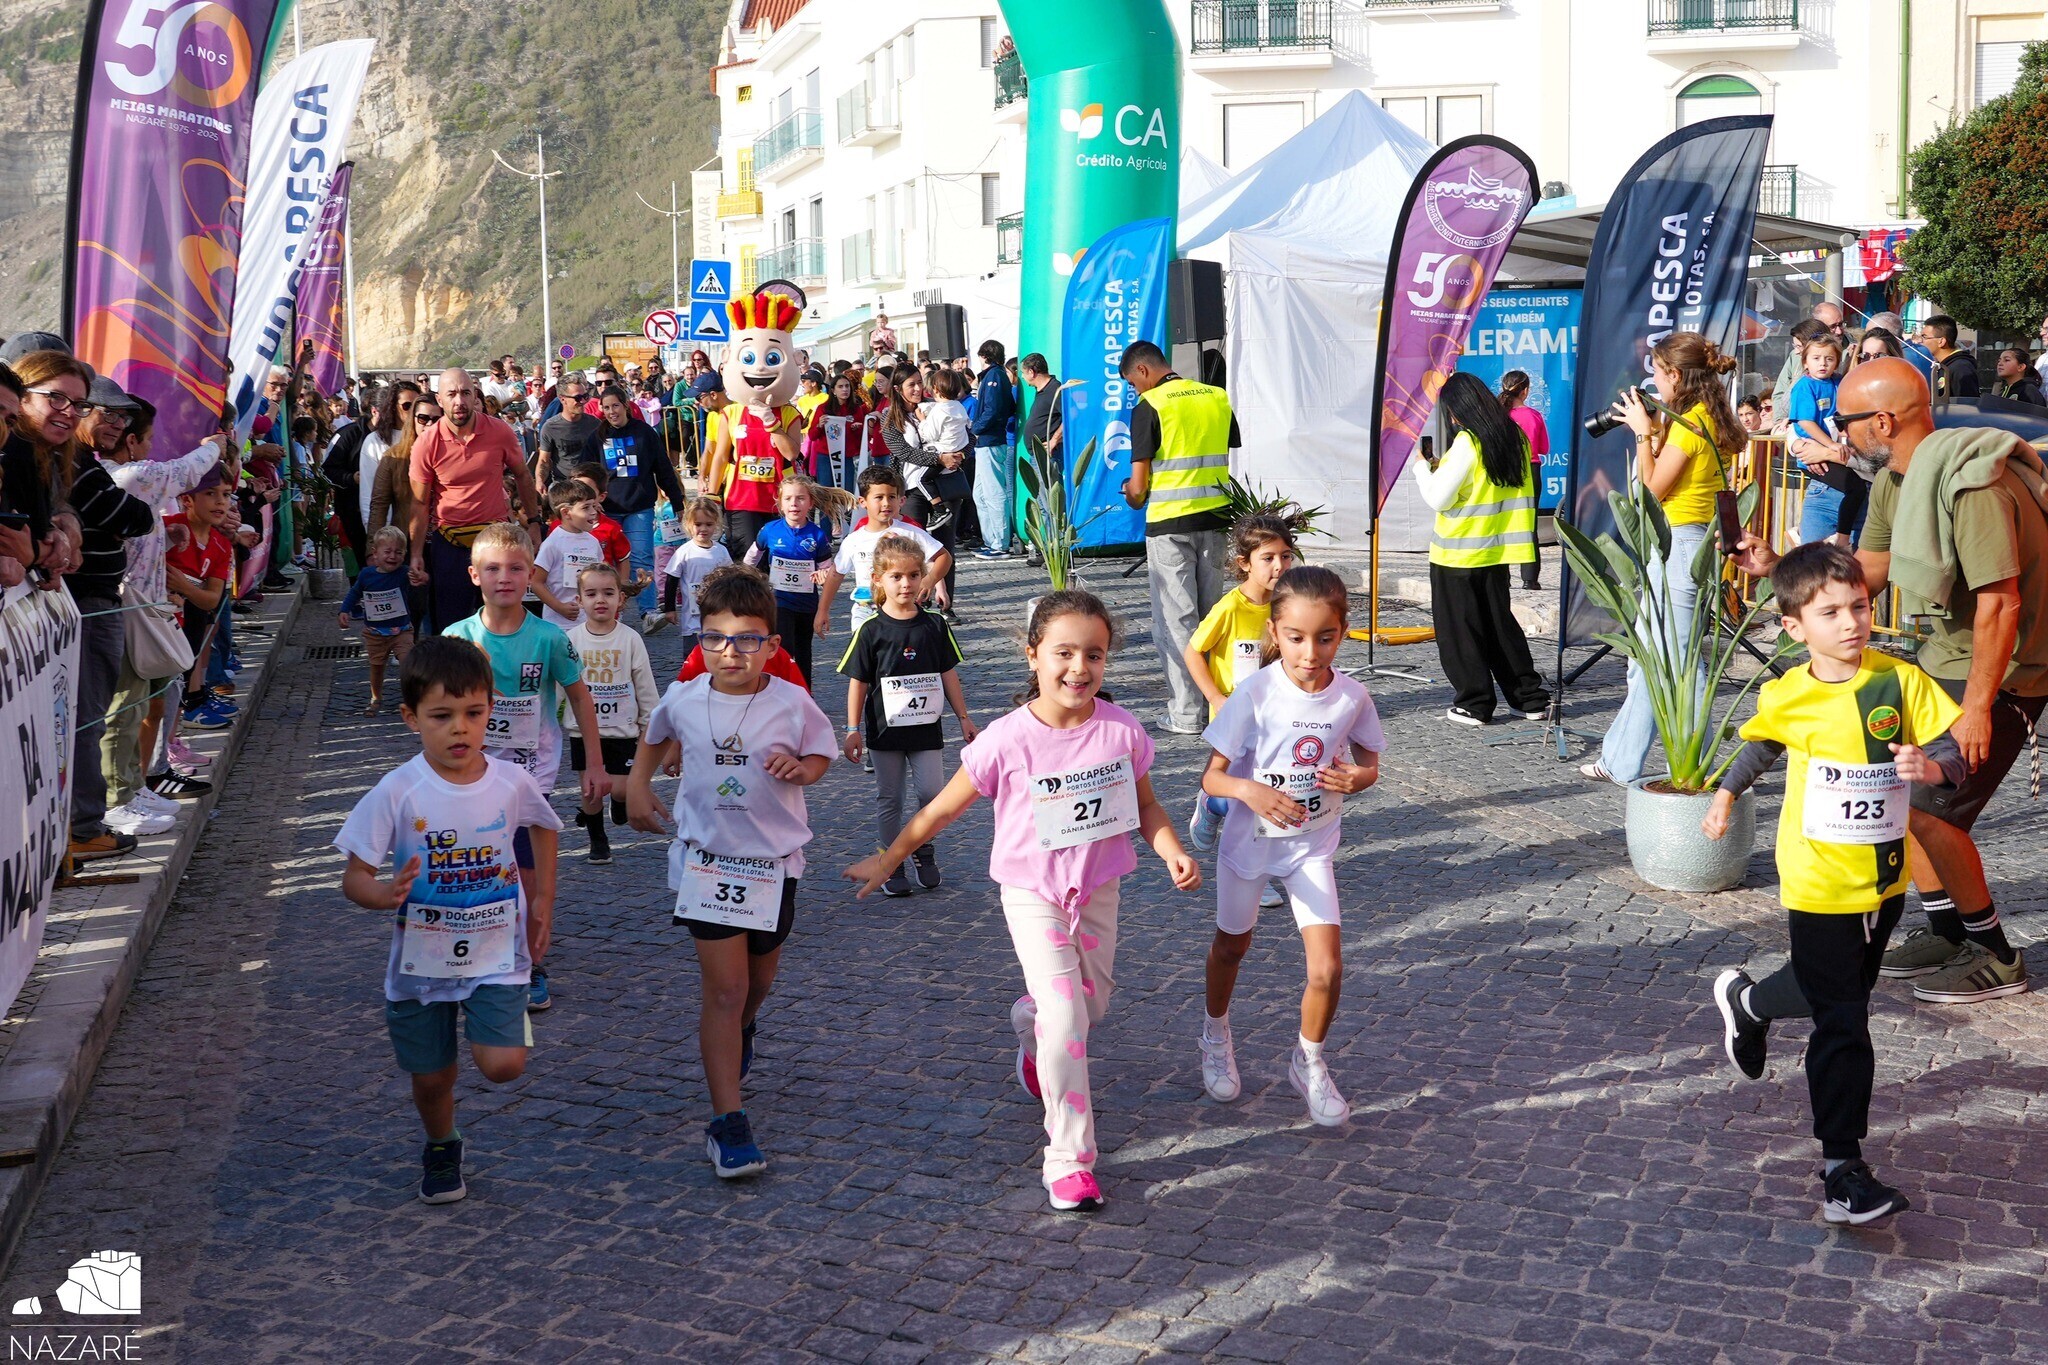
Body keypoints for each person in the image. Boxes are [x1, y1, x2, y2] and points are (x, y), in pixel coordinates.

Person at [844, 591, 1201, 1212]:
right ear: (1033, 655)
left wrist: (1170, 847)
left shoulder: (1121, 731)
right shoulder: (1005, 740)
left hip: (1098, 890)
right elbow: (941, 808)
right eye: (1063, 653)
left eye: (1094, 654)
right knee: (1067, 1019)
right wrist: (890, 856)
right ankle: (1069, 1158)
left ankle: (1031, 1031)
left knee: (1089, 1008)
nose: (1079, 668)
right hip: (1032, 894)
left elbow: (1144, 805)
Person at [1732, 357, 2046, 1007]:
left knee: (1931, 811)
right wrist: (1778, 568)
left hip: (2010, 672)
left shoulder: (1970, 485)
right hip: (1944, 658)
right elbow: (1861, 574)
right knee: (1899, 801)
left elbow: (2001, 605)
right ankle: (1945, 932)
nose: (1837, 434)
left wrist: (1980, 709)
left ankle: (1994, 954)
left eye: (1844, 422)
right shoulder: (1897, 483)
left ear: (1883, 420)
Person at [1702, 543, 1967, 1225]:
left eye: (1860, 606)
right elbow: (1761, 745)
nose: (1851, 621)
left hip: (1882, 884)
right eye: (1831, 612)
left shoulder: (1897, 680)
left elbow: (1950, 748)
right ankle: (1842, 1171)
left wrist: (1932, 769)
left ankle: (1751, 1001)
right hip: (1817, 882)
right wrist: (1726, 795)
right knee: (1844, 1019)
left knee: (1841, 990)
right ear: (1795, 627)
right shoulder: (1788, 694)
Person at [334, 636, 562, 1205]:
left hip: (496, 951)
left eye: (474, 713)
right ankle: (441, 1143)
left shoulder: (511, 781)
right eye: (442, 716)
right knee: (433, 1077)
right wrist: (382, 894)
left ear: (490, 708)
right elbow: (353, 875)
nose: (460, 728)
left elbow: (545, 826)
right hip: (420, 962)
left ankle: (500, 1020)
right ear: (411, 718)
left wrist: (542, 903)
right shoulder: (398, 789)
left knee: (505, 1066)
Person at [626, 566, 837, 1179]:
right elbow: (652, 737)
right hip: (706, 862)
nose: (730, 651)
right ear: (699, 641)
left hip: (774, 867)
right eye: (715, 638)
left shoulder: (791, 701)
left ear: (772, 645)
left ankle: (743, 1027)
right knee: (724, 990)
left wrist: (804, 768)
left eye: (747, 638)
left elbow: (820, 750)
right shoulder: (685, 697)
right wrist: (638, 786)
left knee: (757, 983)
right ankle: (728, 1123)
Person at [1195, 567, 1384, 1125]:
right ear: (1275, 632)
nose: (1310, 652)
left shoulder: (1352, 697)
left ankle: (1310, 1061)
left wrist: (1358, 779)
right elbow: (1212, 779)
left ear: (1343, 632)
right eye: (1297, 638)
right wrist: (1248, 789)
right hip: (1250, 846)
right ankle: (1215, 1032)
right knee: (1232, 946)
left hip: (1312, 848)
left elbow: (1370, 761)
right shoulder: (1254, 693)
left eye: (1324, 638)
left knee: (1327, 968)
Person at [442, 524, 611, 1013]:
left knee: (527, 869)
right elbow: (440, 705)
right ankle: (478, 949)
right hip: (471, 775)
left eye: (517, 568)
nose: (505, 578)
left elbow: (580, 696)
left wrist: (593, 764)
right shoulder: (458, 638)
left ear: (530, 574)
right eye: (493, 568)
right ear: (475, 575)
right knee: (477, 867)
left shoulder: (549, 638)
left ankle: (532, 960)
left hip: (530, 774)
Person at [1581, 333, 1745, 786]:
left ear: (1674, 374)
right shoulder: (1704, 416)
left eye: (1656, 371)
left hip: (1680, 546)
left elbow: (1650, 493)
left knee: (1677, 664)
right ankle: (1634, 760)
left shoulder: (1692, 424)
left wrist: (1642, 434)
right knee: (1654, 660)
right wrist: (1655, 427)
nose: (1652, 381)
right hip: (1683, 544)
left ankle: (1679, 764)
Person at [99, 400, 224, 834]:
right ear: (131, 442)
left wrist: (163, 534)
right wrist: (215, 446)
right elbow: (182, 474)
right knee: (126, 706)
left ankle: (133, 786)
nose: (152, 448)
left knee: (145, 700)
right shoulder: (131, 474)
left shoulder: (124, 478)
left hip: (147, 604)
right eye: (149, 439)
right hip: (131, 608)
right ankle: (118, 799)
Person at [839, 535, 977, 896]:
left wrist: (963, 717)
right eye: (897, 576)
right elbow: (858, 682)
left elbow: (948, 672)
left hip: (927, 730)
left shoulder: (934, 625)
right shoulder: (871, 630)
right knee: (890, 798)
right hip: (885, 733)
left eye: (914, 575)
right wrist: (852, 728)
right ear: (879, 580)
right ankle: (890, 861)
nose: (906, 583)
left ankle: (922, 848)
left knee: (932, 793)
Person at [1412, 371, 1550, 728]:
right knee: (1500, 626)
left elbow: (1438, 498)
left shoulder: (1468, 443)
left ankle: (1474, 704)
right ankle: (1530, 698)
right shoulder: (1515, 437)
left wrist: (1421, 469)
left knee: (1461, 632)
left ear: (1457, 411)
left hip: (1457, 552)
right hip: (1498, 550)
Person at [1119, 340, 1238, 736]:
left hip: (1171, 526)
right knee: (1212, 616)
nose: (1136, 391)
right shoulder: (1216, 397)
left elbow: (1138, 488)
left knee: (1177, 620)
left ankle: (1187, 713)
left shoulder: (1150, 406)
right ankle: (1218, 704)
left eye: (1133, 384)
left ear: (1142, 371)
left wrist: (1130, 494)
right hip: (1217, 519)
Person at [64, 376, 156, 860]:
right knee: (88, 716)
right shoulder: (78, 466)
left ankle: (83, 821)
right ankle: (83, 826)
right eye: (109, 414)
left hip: (95, 599)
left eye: (124, 418)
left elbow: (131, 516)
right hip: (88, 605)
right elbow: (131, 515)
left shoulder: (85, 463)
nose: (118, 426)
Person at [1183, 514, 1299, 872]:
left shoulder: (1287, 603)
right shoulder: (1230, 607)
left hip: (1274, 714)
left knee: (1262, 785)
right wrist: (1216, 699)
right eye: (1268, 558)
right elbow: (1192, 652)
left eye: (1285, 555)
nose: (1279, 565)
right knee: (1245, 790)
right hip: (1235, 714)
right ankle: (1247, 869)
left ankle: (1217, 806)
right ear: (1244, 563)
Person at [407, 368, 546, 634]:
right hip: (449, 543)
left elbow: (523, 477)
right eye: (452, 394)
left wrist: (534, 522)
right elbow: (418, 504)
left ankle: (500, 673)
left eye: (465, 393)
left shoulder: (499, 431)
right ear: (440, 400)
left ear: (475, 396)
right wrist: (415, 554)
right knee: (451, 628)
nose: (459, 401)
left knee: (501, 620)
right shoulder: (427, 443)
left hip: (494, 541)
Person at [564, 562, 659, 866]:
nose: (600, 599)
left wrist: (650, 721)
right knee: (590, 791)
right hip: (584, 731)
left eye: (608, 593)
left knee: (619, 788)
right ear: (579, 600)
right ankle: (598, 840)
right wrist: (557, 718)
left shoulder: (630, 638)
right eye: (591, 594)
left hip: (622, 730)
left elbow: (644, 683)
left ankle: (619, 802)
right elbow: (559, 685)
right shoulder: (571, 640)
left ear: (621, 598)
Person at [580, 384, 686, 631]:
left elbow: (663, 468)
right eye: (606, 408)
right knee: (607, 562)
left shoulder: (644, 433)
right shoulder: (596, 437)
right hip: (608, 509)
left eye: (615, 405)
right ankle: (612, 612)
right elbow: (585, 472)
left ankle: (647, 612)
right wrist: (591, 500)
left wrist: (677, 500)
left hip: (639, 507)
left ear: (625, 405)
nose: (611, 412)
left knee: (642, 557)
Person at [818, 465, 948, 637]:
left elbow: (944, 556)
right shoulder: (854, 540)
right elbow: (836, 574)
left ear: (900, 499)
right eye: (879, 497)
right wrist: (823, 610)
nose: (886, 503)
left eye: (891, 497)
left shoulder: (910, 532)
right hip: (865, 610)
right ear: (863, 502)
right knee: (867, 658)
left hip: (903, 608)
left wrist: (930, 580)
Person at [742, 473, 838, 687]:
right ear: (780, 503)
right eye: (788, 499)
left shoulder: (818, 535)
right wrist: (747, 580)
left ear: (810, 503)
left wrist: (823, 577)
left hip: (806, 604)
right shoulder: (769, 530)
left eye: (801, 498)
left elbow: (828, 571)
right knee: (785, 649)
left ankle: (805, 694)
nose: (794, 504)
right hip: (779, 602)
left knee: (804, 652)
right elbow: (752, 557)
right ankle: (781, 690)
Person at [1786, 333, 1865, 546]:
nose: (1823, 364)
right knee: (1855, 487)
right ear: (1805, 361)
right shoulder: (1805, 386)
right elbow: (1805, 422)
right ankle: (1842, 537)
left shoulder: (1838, 382)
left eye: (1829, 359)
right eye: (1816, 358)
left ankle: (1809, 533)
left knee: (1855, 487)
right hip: (1813, 455)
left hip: (1834, 451)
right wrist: (1829, 445)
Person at [338, 525, 418, 715]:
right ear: (375, 554)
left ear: (404, 554)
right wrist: (344, 610)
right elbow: (355, 592)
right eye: (387, 551)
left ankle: (412, 700)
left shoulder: (404, 573)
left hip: (402, 630)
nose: (393, 556)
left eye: (398, 552)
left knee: (407, 663)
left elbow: (420, 581)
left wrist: (421, 578)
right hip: (375, 633)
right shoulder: (367, 575)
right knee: (377, 667)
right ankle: (376, 697)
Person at [1498, 371, 1550, 590]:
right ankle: (1530, 579)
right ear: (1526, 391)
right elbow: (1544, 448)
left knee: (1501, 523)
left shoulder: (1498, 415)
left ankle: (1504, 577)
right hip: (1530, 469)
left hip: (1504, 468)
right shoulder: (1533, 415)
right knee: (1528, 525)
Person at [661, 496, 733, 653]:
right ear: (688, 524)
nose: (703, 529)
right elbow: (671, 580)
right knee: (692, 655)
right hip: (692, 619)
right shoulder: (684, 552)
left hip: (718, 614)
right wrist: (670, 608)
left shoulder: (721, 551)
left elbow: (730, 579)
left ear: (716, 524)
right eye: (698, 524)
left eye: (709, 524)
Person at [532, 480, 606, 630]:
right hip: (559, 624)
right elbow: (536, 582)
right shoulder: (552, 543)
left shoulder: (593, 542)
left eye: (594, 505)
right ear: (566, 513)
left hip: (590, 622)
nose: (593, 512)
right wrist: (559, 607)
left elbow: (601, 575)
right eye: (586, 507)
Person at [970, 339, 1018, 559]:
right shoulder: (994, 376)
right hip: (986, 441)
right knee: (980, 493)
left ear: (984, 356)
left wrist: (976, 428)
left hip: (990, 441)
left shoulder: (994, 377)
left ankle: (1000, 543)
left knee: (994, 493)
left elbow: (994, 409)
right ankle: (991, 540)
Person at [804, 374, 868, 493]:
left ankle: (845, 512)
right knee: (828, 493)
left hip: (846, 458)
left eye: (847, 386)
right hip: (826, 457)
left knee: (846, 493)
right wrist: (819, 425)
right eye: (840, 386)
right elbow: (812, 435)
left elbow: (864, 437)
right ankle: (826, 513)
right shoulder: (823, 409)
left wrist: (859, 428)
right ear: (833, 390)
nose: (844, 389)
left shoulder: (856, 409)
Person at [536, 373, 597, 486]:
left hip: (590, 484)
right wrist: (539, 482)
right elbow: (544, 461)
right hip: (563, 485)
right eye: (578, 398)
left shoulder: (595, 424)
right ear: (563, 399)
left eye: (585, 396)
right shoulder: (550, 427)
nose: (583, 401)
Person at [1919, 315, 1979, 398]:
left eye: (1924, 337)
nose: (1919, 341)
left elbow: (1967, 404)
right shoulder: (1943, 366)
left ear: (1941, 341)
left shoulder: (1961, 368)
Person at [1021, 353, 1062, 459]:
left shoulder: (1055, 389)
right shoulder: (1042, 390)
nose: (1022, 376)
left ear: (1031, 372)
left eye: (1023, 372)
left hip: (1048, 455)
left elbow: (1071, 416)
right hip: (1038, 454)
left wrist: (1055, 440)